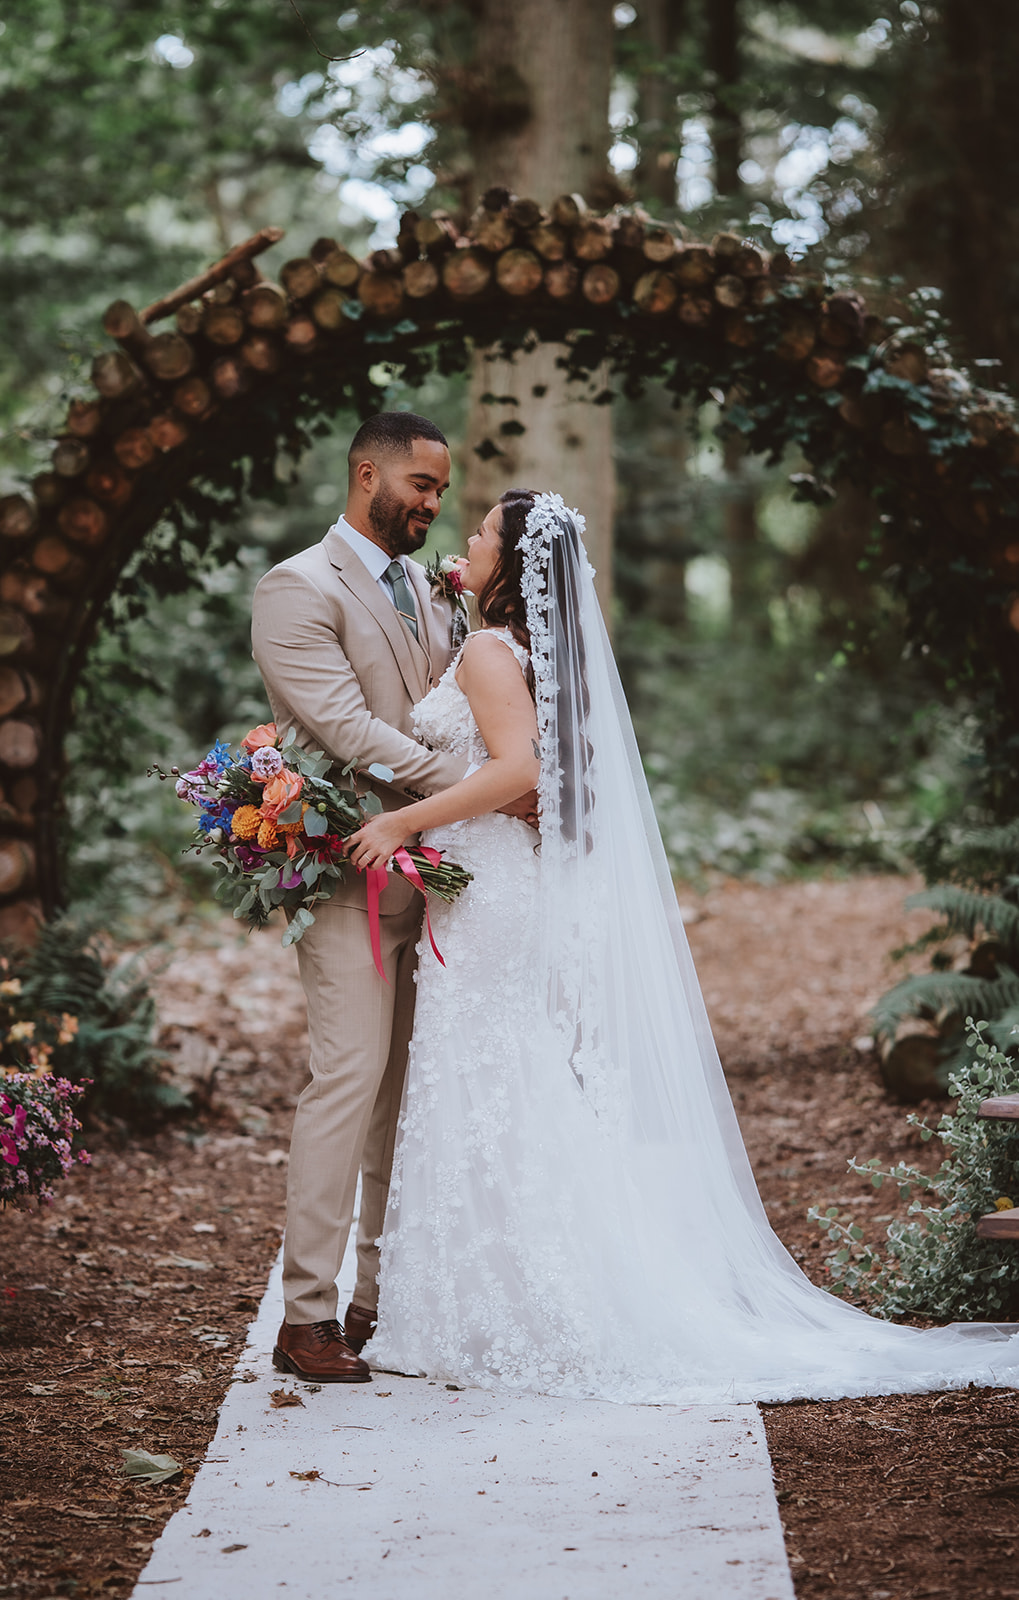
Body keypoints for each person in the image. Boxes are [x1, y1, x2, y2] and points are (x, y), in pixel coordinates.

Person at [346, 488, 1019, 1403]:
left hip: (495, 894)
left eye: (482, 530)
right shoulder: (532, 652)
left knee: (486, 1078)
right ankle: (481, 1297)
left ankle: (503, 1304)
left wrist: (401, 826)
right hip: (499, 885)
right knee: (496, 1081)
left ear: (511, 563)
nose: (466, 536)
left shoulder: (489, 652)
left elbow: (518, 771)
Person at [251, 413, 534, 1385]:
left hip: (444, 883)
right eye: (418, 484)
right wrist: (481, 778)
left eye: (440, 490)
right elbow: (340, 727)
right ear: (364, 472)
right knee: (346, 1082)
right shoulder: (296, 589)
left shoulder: (429, 586)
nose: (431, 504)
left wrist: (483, 788)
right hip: (348, 878)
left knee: (404, 1101)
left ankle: (378, 1299)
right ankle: (304, 1316)